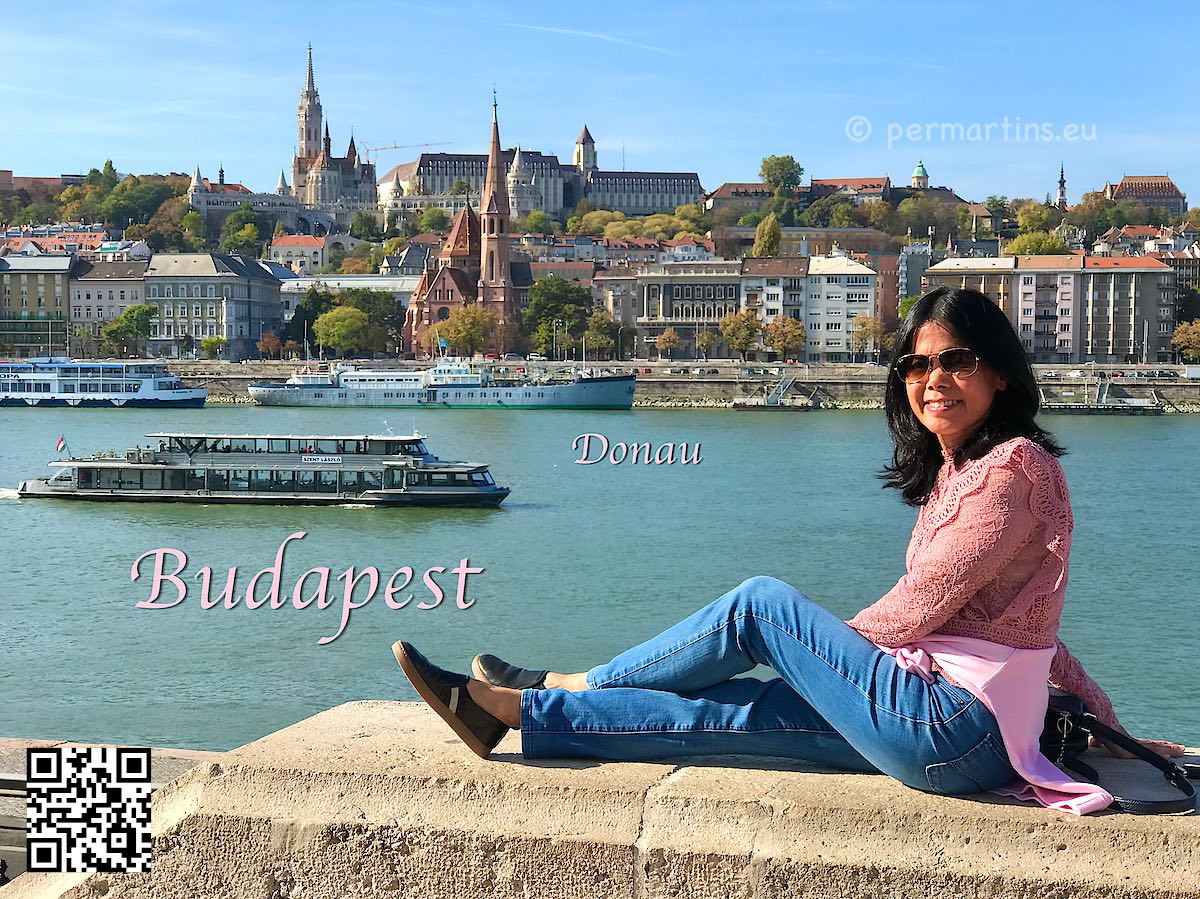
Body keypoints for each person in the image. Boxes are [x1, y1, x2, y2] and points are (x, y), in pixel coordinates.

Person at [394, 287, 1186, 814]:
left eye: (955, 360)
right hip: (952, 731)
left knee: (760, 605)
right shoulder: (966, 471)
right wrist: (1119, 728)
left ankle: (571, 677)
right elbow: (1033, 633)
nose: (931, 378)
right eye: (916, 364)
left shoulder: (1012, 469)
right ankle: (515, 711)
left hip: (951, 725)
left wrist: (818, 655)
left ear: (1001, 375)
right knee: (720, 716)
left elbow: (920, 607)